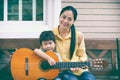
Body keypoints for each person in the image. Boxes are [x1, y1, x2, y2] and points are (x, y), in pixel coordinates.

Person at [34, 6, 96, 80]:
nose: (65, 21)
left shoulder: (78, 36)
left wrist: (80, 63)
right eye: (63, 17)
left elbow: (82, 55)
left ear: (73, 21)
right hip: (62, 71)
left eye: (69, 19)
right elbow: (42, 52)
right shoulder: (51, 35)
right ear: (59, 17)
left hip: (79, 69)